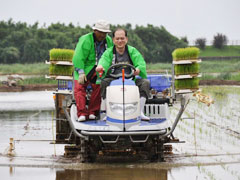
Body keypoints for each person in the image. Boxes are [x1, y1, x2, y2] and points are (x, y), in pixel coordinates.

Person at [96, 28, 150, 120]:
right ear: (113, 40)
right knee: (104, 82)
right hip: (113, 79)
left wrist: (138, 69)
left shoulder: (132, 51)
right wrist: (100, 67)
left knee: (145, 83)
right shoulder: (109, 52)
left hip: (130, 79)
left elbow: (140, 63)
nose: (120, 41)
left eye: (122, 38)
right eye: (117, 39)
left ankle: (139, 111)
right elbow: (103, 61)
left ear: (126, 39)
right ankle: (108, 112)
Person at [73, 20, 113, 122]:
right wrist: (81, 72)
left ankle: (92, 112)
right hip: (85, 68)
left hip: (100, 69)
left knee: (99, 86)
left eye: (105, 33)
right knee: (79, 87)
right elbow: (78, 57)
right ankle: (81, 113)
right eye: (100, 32)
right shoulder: (85, 39)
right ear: (95, 30)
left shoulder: (108, 41)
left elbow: (110, 56)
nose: (102, 35)